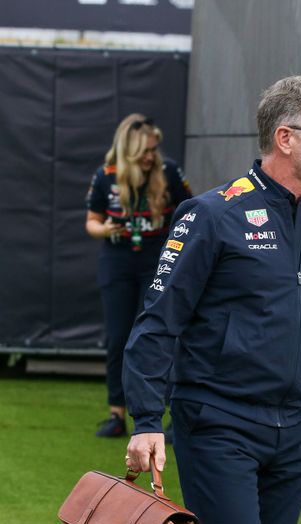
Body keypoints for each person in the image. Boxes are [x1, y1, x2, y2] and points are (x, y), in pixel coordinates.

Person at [123, 76, 301, 524]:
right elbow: (159, 321)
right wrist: (146, 420)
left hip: (295, 431)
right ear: (286, 138)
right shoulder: (212, 215)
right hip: (219, 422)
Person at [85, 113, 191, 438]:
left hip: (157, 262)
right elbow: (91, 222)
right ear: (128, 150)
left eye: (153, 149)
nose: (150, 156)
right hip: (117, 262)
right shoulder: (106, 176)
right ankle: (116, 413)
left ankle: (173, 414)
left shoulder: (169, 171)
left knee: (158, 334)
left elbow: (192, 211)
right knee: (118, 337)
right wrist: (105, 229)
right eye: (144, 151)